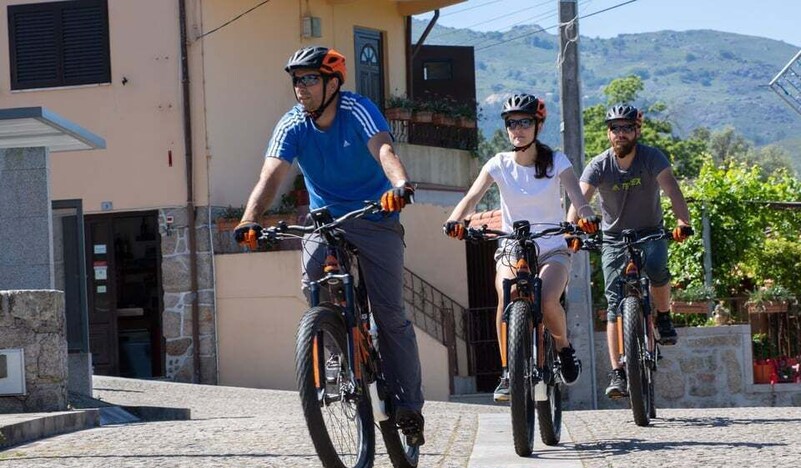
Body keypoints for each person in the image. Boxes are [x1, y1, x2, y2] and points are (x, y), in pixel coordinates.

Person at [233, 46, 425, 445]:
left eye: (310, 79)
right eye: (296, 81)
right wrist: (250, 218)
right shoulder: (291, 125)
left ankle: (409, 405)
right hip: (325, 220)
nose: (301, 88)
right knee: (312, 286)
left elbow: (384, 149)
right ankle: (336, 345)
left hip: (374, 215)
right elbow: (272, 175)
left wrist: (399, 186)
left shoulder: (357, 110)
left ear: (333, 83)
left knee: (390, 315)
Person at [443, 93, 599, 402]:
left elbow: (576, 197)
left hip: (552, 247)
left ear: (538, 126)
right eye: (512, 123)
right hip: (512, 246)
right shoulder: (499, 163)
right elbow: (472, 197)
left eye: (525, 122)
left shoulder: (556, 161)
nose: (518, 129)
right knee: (506, 293)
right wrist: (454, 219)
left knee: (549, 301)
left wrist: (587, 215)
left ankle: (564, 348)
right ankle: (507, 372)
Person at [567, 103, 692, 400]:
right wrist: (571, 228)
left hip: (650, 232)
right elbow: (579, 198)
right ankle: (618, 372)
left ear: (638, 129)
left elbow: (673, 191)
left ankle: (663, 317)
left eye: (626, 127)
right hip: (613, 238)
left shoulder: (651, 157)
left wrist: (682, 222)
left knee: (659, 271)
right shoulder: (599, 165)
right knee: (613, 303)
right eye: (615, 128)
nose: (620, 133)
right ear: (609, 133)